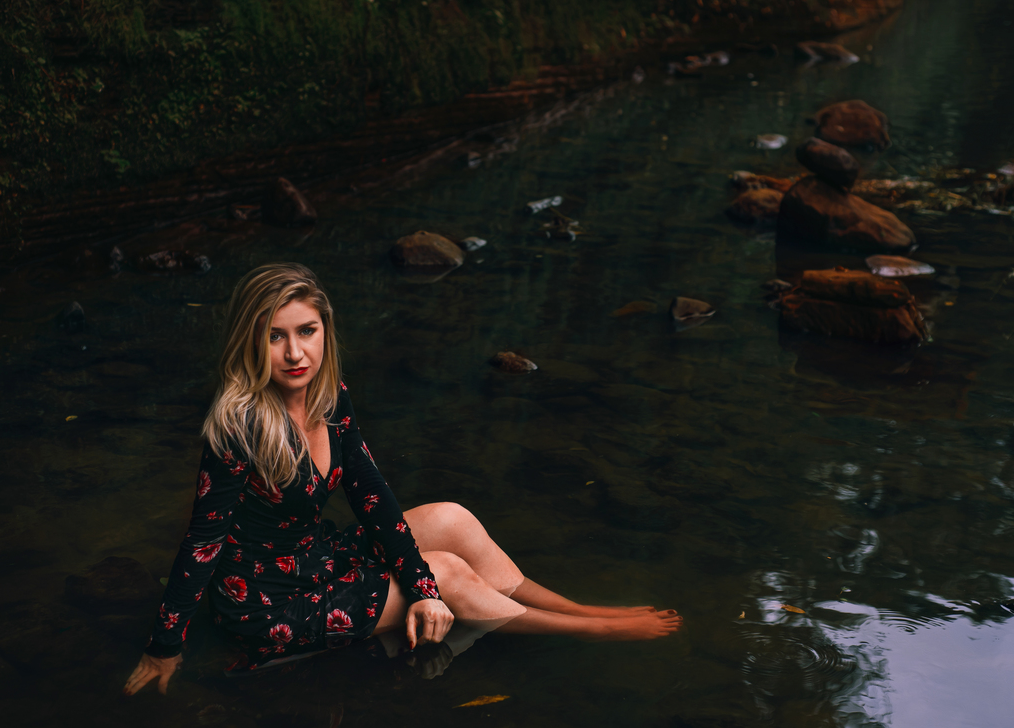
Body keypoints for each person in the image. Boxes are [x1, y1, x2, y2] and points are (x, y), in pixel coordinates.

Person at [124, 263, 681, 696]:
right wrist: (163, 647)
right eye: (275, 337)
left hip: (310, 560)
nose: (295, 353)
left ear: (325, 330)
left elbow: (372, 496)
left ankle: (580, 609)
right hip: (263, 605)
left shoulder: (330, 396)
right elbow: (202, 543)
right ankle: (592, 632)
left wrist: (415, 586)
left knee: (450, 519)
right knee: (446, 572)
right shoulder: (237, 427)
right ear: (251, 340)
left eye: (307, 331)